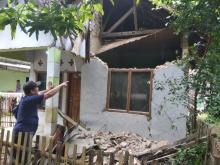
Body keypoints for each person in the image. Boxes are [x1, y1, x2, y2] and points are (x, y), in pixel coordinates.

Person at [12, 80, 68, 162]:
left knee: (20, 156)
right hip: (22, 133)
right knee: (20, 157)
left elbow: (41, 93)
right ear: (32, 91)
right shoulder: (30, 100)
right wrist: (61, 85)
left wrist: (48, 89)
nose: (38, 88)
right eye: (36, 87)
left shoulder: (27, 98)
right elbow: (48, 95)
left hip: (23, 132)